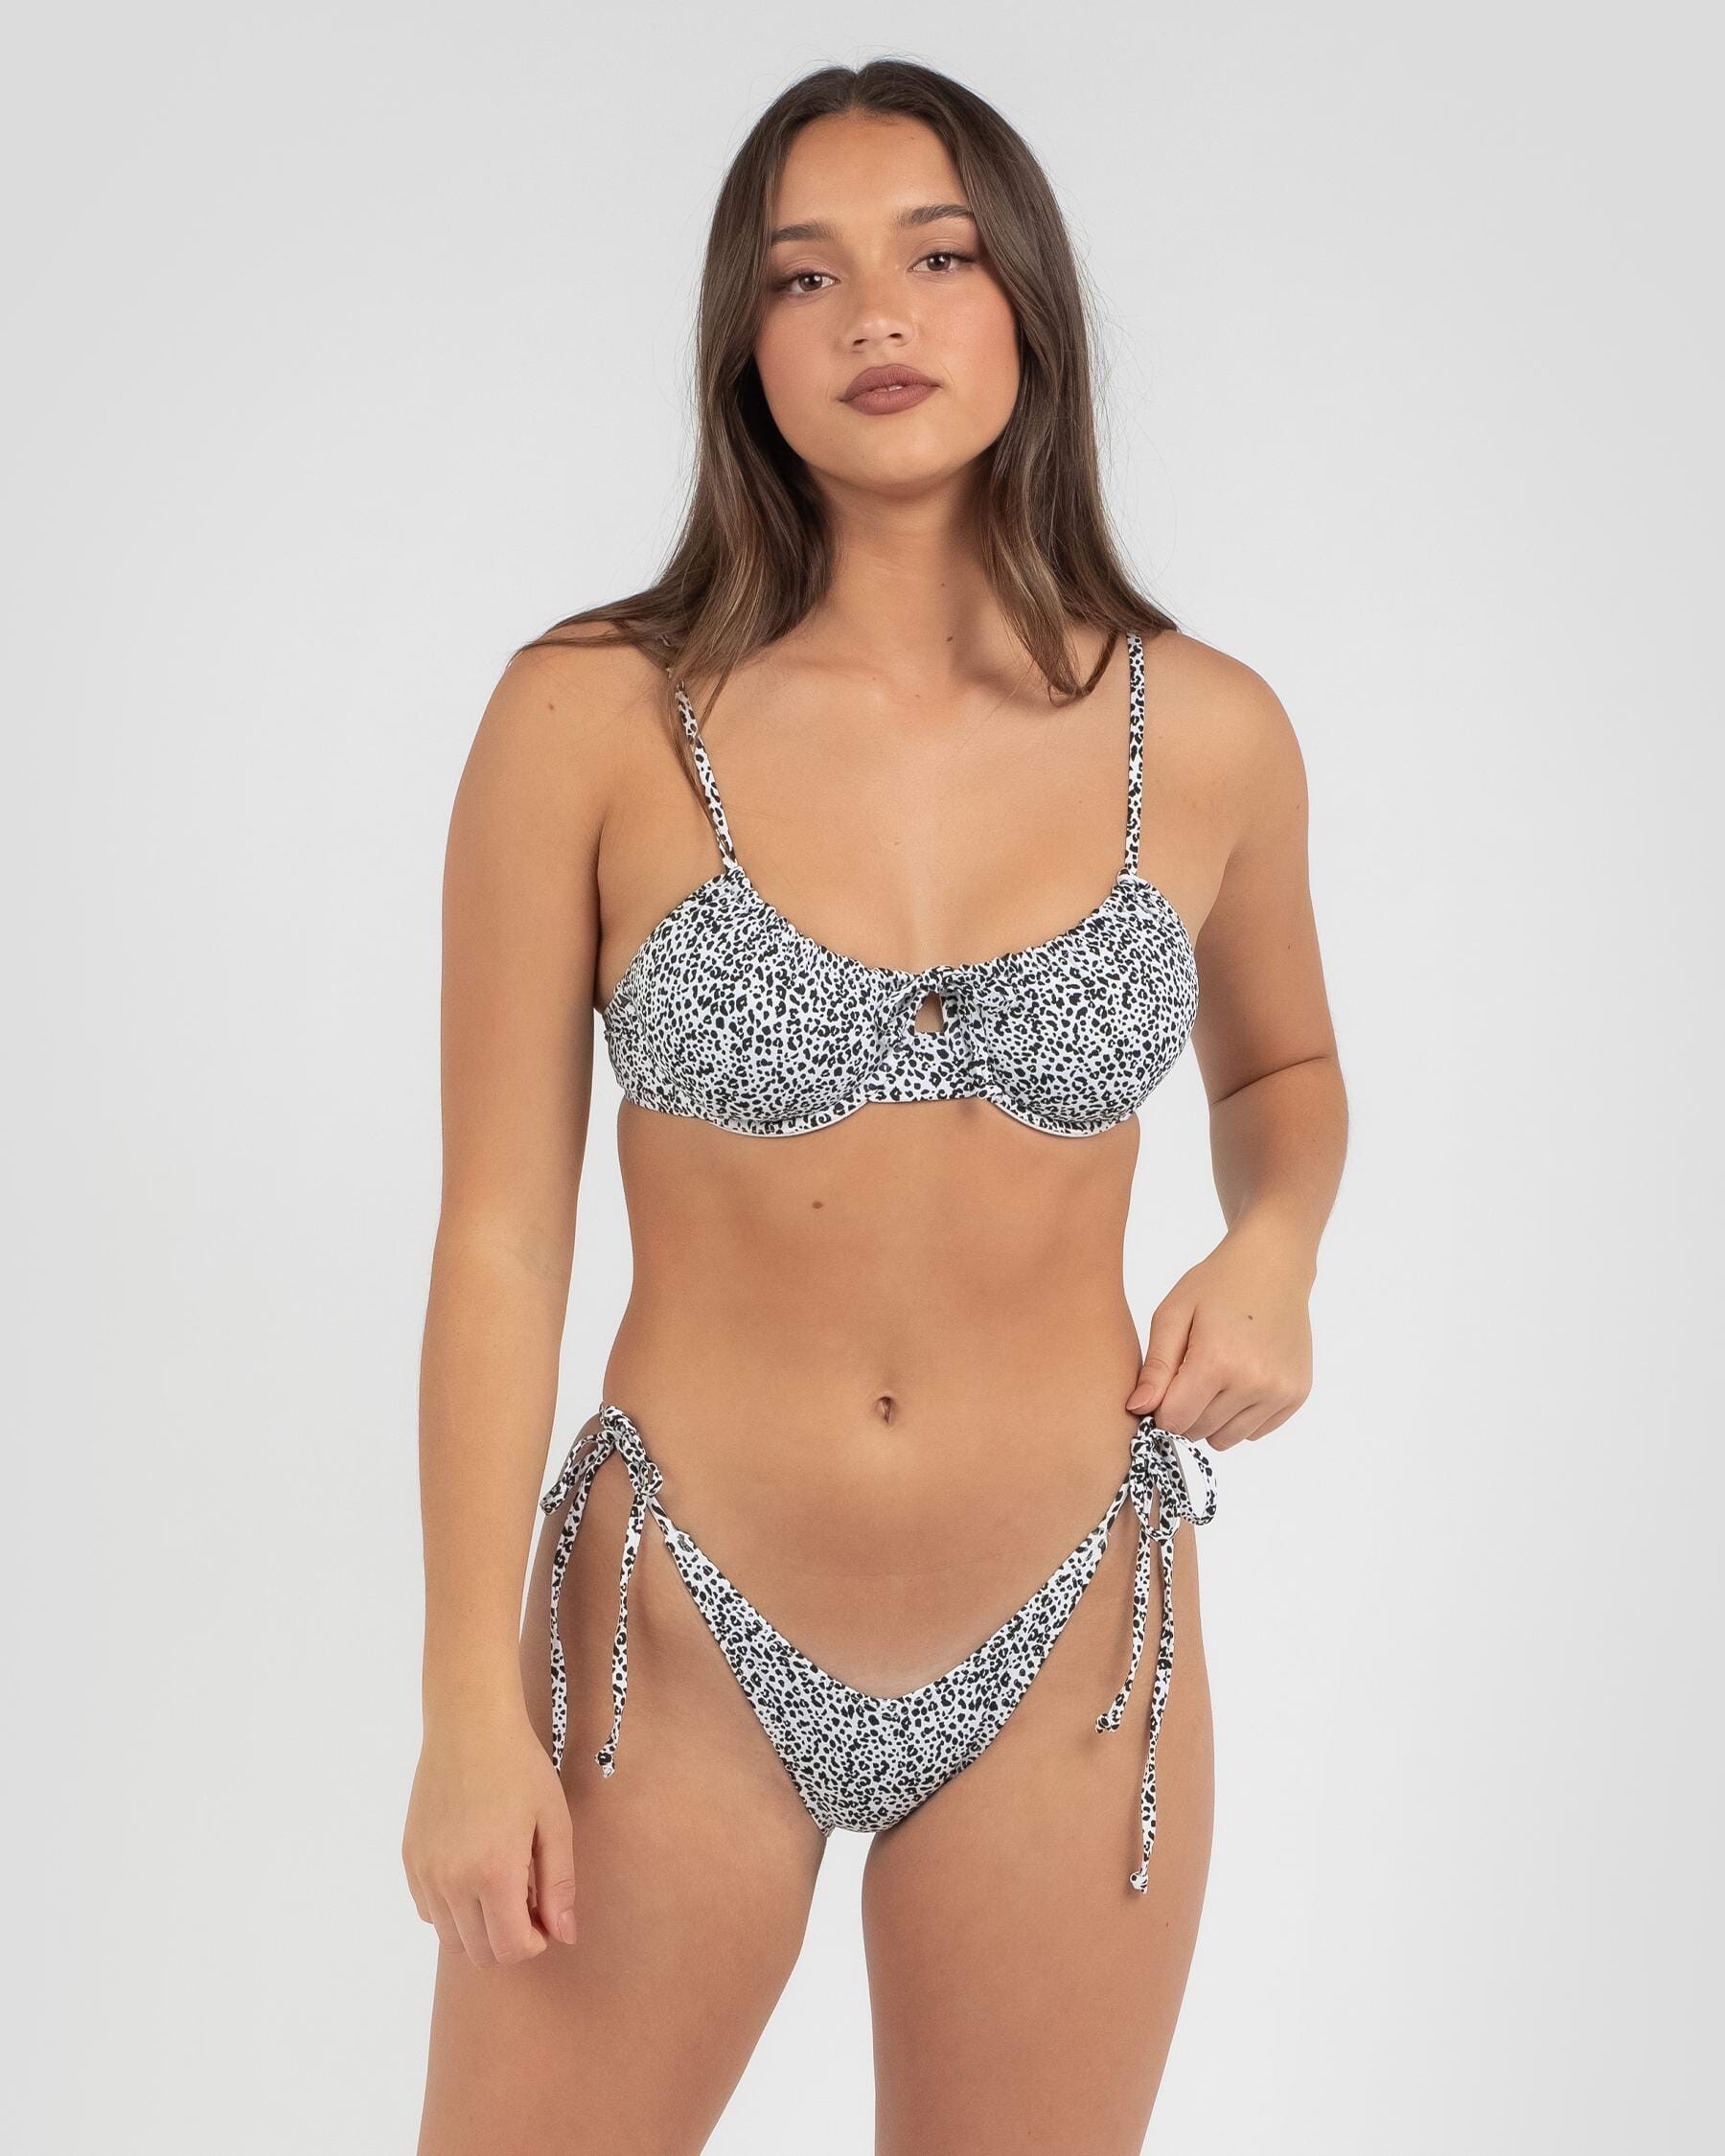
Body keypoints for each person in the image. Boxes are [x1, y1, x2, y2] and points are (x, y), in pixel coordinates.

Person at [405, 56, 1346, 2156]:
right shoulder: (589, 714)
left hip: (1071, 1637)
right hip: (671, 1638)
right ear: (743, 343)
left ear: (1029, 304)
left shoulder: (1208, 730)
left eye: (937, 256)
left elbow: (1285, 1073)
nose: (876, 318)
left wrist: (1275, 1242)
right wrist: (467, 1702)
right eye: (802, 275)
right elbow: (501, 1236)